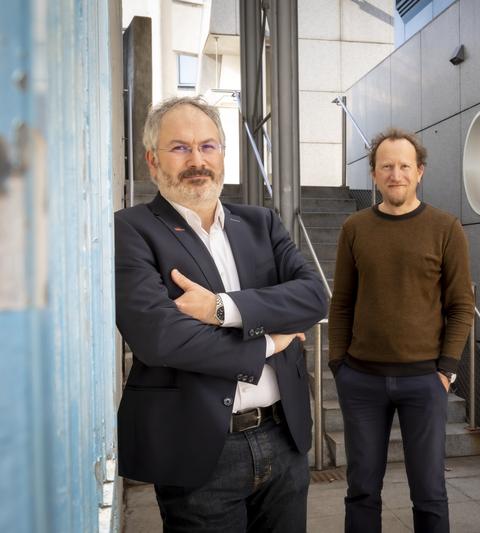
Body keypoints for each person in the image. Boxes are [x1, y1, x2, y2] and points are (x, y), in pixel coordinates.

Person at [115, 96, 328, 532]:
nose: (197, 160)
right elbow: (160, 338)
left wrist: (220, 309)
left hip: (282, 438)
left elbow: (313, 297)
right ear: (152, 162)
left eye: (208, 146)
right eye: (180, 148)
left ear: (223, 155)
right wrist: (270, 340)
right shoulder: (130, 229)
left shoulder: (262, 223)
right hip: (199, 452)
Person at [328, 128, 474, 533]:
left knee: (429, 492)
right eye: (386, 166)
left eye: (404, 166)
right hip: (361, 380)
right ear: (374, 174)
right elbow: (340, 303)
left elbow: (461, 306)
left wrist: (445, 370)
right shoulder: (354, 228)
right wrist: (338, 365)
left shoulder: (446, 228)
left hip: (424, 381)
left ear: (419, 171)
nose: (396, 174)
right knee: (361, 490)